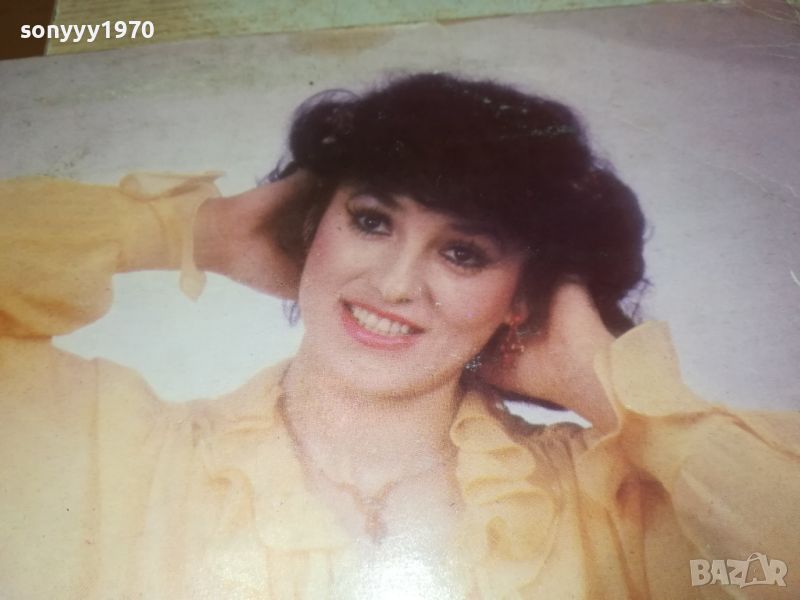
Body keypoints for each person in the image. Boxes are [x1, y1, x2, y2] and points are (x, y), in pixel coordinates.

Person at [0, 73, 797, 599]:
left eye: (463, 253)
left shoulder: (607, 505)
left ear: (522, 297)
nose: (393, 284)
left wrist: (608, 385)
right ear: (310, 226)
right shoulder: (126, 453)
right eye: (372, 221)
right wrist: (195, 230)